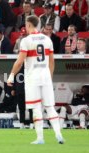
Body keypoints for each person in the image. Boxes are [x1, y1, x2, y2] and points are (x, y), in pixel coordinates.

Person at [7, 15, 64, 144]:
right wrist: (49, 77)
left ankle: (40, 138)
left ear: (28, 25)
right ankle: (58, 134)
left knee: (36, 108)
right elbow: (52, 62)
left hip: (32, 77)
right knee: (50, 107)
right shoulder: (47, 39)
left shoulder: (26, 41)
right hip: (45, 76)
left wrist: (11, 76)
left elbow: (19, 61)